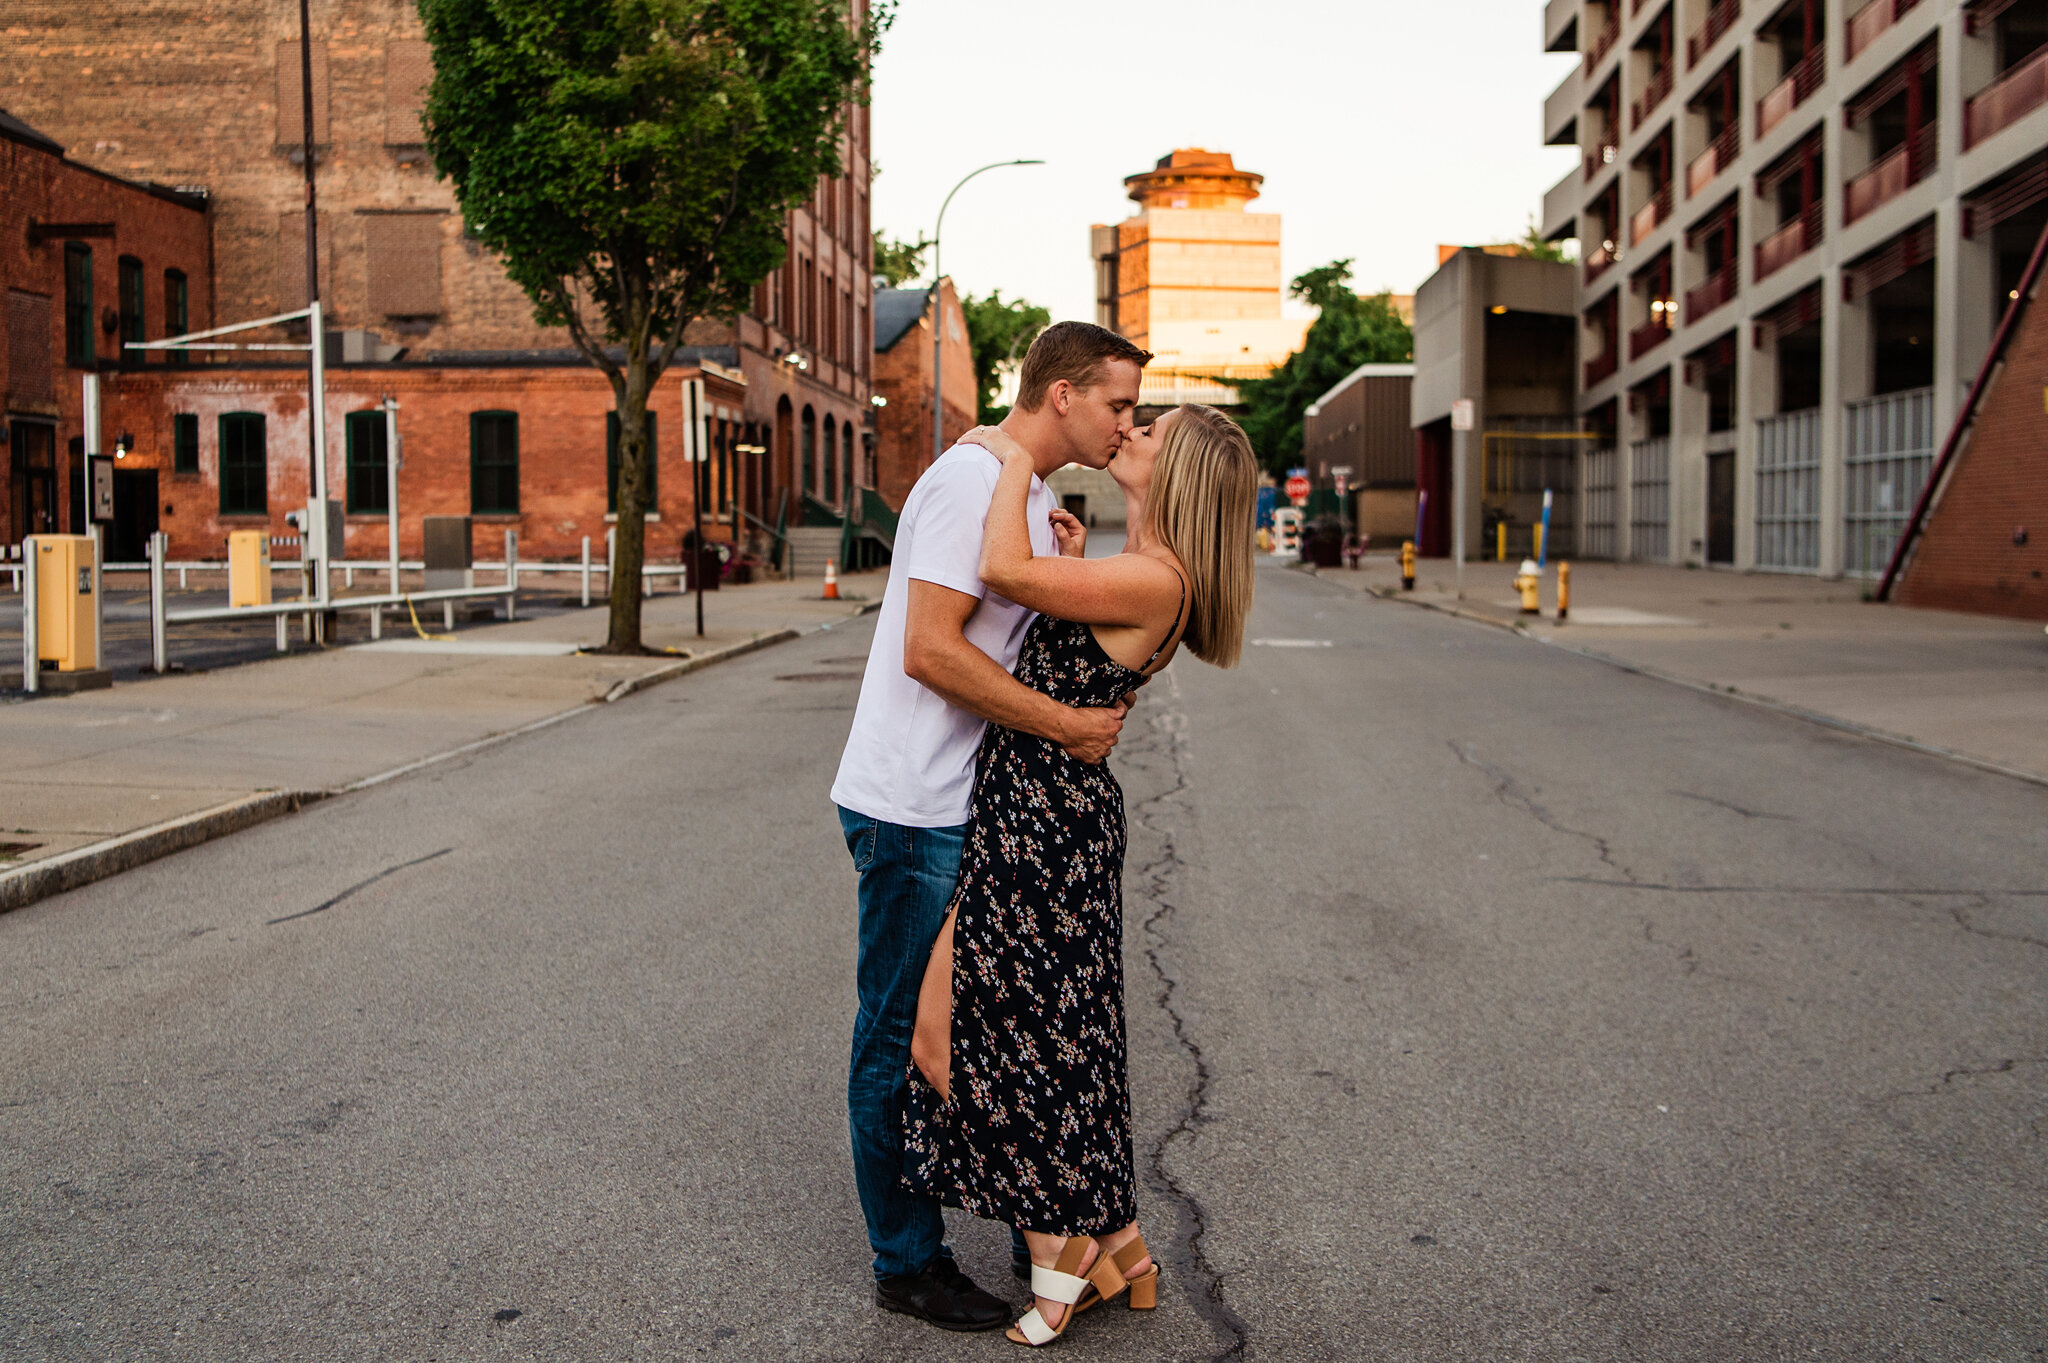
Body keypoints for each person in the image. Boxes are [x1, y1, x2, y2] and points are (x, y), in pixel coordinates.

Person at [902, 402, 1258, 1347]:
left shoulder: (1152, 578)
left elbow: (1000, 573)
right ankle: (1119, 1245)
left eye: (1154, 429)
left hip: (1044, 828)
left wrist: (1014, 456)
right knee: (1046, 1037)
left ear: (1177, 468)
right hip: (1039, 815)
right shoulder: (1144, 570)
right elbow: (1065, 633)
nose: (1132, 430)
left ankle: (1063, 1251)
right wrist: (1076, 541)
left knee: (965, 1036)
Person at [831, 321, 1154, 1332]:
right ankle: (906, 1261)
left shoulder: (1032, 498)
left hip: (971, 803)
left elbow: (1037, 635)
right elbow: (930, 650)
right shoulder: (971, 484)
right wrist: (1066, 726)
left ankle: (1048, 1241)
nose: (1124, 422)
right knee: (899, 1036)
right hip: (911, 805)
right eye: (1114, 403)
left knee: (995, 1029)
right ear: (1061, 394)